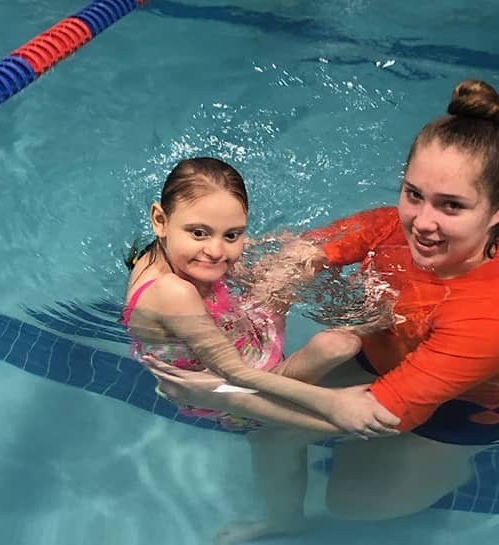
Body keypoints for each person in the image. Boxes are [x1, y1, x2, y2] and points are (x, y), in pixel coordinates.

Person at [143, 79, 499, 542]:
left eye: (451, 206)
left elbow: (381, 416)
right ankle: (283, 521)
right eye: (413, 194)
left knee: (353, 506)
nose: (422, 223)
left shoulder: (486, 316)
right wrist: (272, 285)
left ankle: (456, 465)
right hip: (385, 361)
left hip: (466, 407)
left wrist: (223, 394)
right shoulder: (392, 227)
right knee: (270, 433)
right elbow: (305, 252)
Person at [122, 156, 399, 435]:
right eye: (199, 233)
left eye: (231, 235)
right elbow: (235, 375)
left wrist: (270, 249)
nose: (216, 251)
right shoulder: (172, 292)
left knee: (298, 259)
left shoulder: (161, 253)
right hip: (233, 393)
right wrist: (332, 404)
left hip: (235, 333)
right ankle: (384, 318)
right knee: (338, 345)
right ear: (160, 220)